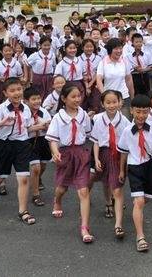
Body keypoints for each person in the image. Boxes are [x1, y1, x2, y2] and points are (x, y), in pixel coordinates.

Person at [117, 93, 152, 252]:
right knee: (139, 202)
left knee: (145, 199)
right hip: (135, 167)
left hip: (150, 166)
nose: (141, 115)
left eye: (145, 112)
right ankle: (140, 237)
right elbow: (123, 153)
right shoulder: (126, 131)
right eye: (138, 111)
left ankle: (136, 209)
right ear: (131, 111)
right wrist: (121, 171)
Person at [0, 78, 37, 225]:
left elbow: (27, 127)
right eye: (12, 90)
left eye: (19, 89)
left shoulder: (26, 108)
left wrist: (42, 126)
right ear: (5, 93)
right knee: (0, 175)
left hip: (21, 144)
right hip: (4, 144)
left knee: (23, 177)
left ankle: (23, 211)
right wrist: (3, 122)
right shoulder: (0, 109)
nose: (16, 93)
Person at [46, 84, 94, 243]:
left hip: (81, 154)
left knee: (83, 191)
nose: (77, 99)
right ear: (64, 99)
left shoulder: (84, 115)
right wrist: (55, 151)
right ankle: (57, 200)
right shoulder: (58, 118)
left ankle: (84, 227)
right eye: (73, 97)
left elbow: (88, 134)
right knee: (62, 188)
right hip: (65, 154)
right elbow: (53, 139)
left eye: (79, 96)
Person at [90, 89, 127, 238]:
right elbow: (96, 142)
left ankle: (118, 225)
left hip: (118, 155)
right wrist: (97, 158)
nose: (112, 105)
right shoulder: (98, 120)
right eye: (108, 102)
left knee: (117, 188)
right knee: (106, 182)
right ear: (102, 104)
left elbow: (126, 143)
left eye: (114, 102)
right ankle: (107, 202)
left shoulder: (124, 121)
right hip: (104, 154)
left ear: (120, 102)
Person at [25, 87, 51, 208]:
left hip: (43, 140)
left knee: (43, 165)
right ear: (26, 101)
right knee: (35, 167)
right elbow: (24, 129)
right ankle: (36, 195)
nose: (37, 101)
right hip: (29, 141)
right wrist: (39, 126)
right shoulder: (23, 113)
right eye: (33, 99)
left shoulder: (43, 112)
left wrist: (42, 126)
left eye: (39, 98)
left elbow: (49, 126)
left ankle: (37, 179)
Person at [96, 39, 134, 113]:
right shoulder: (103, 62)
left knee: (125, 121)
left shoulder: (124, 61)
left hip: (124, 97)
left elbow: (129, 80)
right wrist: (104, 95)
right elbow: (99, 80)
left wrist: (132, 97)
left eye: (120, 48)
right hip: (109, 99)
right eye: (116, 49)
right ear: (110, 50)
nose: (119, 51)